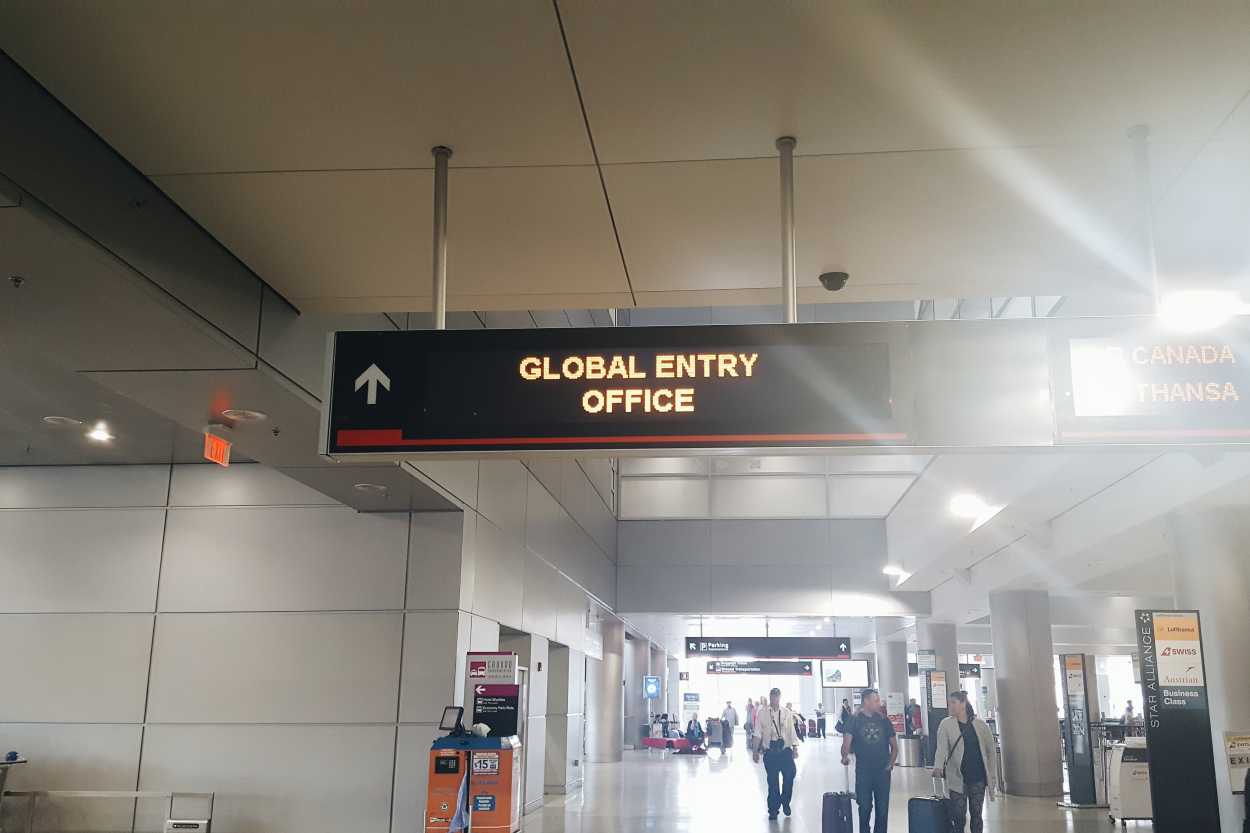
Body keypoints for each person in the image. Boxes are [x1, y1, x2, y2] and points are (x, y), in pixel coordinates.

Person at [932, 691, 999, 833]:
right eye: (949, 703)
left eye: (953, 703)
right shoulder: (946, 724)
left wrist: (992, 775)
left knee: (976, 815)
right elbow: (941, 748)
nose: (950, 706)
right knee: (958, 817)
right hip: (957, 777)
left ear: (963, 704)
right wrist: (938, 767)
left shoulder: (980, 725)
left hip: (977, 777)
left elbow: (990, 751)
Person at [842, 689, 897, 833]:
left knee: (882, 808)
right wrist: (844, 756)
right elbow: (846, 743)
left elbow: (894, 746)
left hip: (882, 772)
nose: (879, 703)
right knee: (864, 806)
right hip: (863, 771)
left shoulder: (884, 720)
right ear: (866, 701)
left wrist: (890, 764)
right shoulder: (854, 719)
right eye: (876, 700)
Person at [753, 687, 801, 820]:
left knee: (789, 777)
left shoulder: (786, 712)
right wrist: (755, 751)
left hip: (785, 751)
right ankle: (773, 809)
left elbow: (792, 731)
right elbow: (757, 733)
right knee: (772, 782)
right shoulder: (762, 713)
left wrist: (795, 748)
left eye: (776, 696)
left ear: (780, 697)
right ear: (769, 697)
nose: (774, 698)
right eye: (772, 696)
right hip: (770, 751)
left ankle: (785, 802)